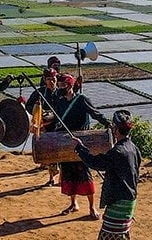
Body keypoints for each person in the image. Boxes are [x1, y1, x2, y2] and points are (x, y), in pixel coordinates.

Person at [75, 110, 142, 239]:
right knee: (121, 235)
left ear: (115, 129)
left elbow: (95, 163)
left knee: (109, 236)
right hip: (130, 200)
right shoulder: (134, 149)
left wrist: (80, 149)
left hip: (119, 201)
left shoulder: (117, 152)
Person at [54, 73, 110, 219]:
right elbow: (57, 120)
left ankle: (92, 207)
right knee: (68, 174)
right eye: (59, 85)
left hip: (81, 142)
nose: (60, 88)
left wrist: (108, 124)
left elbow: (95, 114)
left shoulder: (81, 100)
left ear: (70, 86)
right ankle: (73, 203)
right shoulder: (60, 102)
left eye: (62, 85)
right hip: (66, 142)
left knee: (84, 174)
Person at [25, 68, 60, 186]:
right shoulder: (39, 92)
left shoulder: (60, 92)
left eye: (53, 79)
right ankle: (51, 177)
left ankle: (62, 177)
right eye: (49, 79)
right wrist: (37, 108)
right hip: (45, 126)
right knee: (49, 152)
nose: (51, 82)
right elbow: (28, 106)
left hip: (58, 126)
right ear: (45, 80)